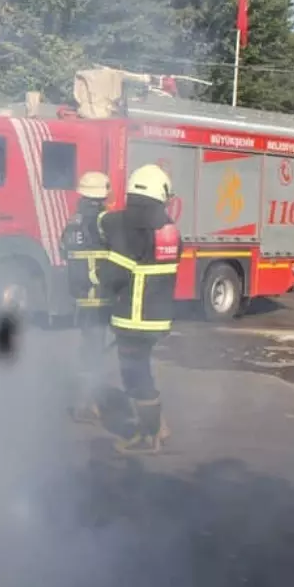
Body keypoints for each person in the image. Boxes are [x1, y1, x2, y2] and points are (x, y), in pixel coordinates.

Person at [97, 164, 181, 455]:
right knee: (141, 370)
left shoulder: (131, 230)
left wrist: (98, 280)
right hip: (157, 316)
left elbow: (116, 276)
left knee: (135, 376)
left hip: (133, 317)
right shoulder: (168, 228)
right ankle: (159, 427)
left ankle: (150, 437)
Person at [59, 171, 113, 425]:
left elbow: (63, 250)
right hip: (99, 297)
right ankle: (86, 404)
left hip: (80, 297)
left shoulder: (74, 221)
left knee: (88, 349)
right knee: (94, 352)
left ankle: (88, 401)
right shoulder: (103, 221)